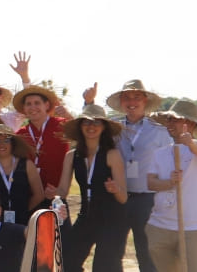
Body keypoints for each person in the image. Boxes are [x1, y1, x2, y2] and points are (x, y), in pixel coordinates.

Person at [86, 79, 171, 272]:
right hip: (117, 197)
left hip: (147, 199)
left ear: (145, 100)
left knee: (147, 250)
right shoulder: (112, 127)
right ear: (121, 102)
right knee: (112, 250)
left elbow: (169, 161)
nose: (132, 102)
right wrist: (89, 104)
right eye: (127, 97)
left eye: (136, 97)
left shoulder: (160, 131)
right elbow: (89, 127)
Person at [55, 104, 129, 272]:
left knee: (106, 266)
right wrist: (54, 195)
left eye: (97, 122)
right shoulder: (71, 156)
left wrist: (114, 189)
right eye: (86, 122)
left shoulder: (112, 154)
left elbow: (123, 197)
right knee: (67, 261)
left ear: (104, 127)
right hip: (86, 216)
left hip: (112, 219)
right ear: (80, 126)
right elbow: (62, 191)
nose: (91, 126)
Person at [146, 99, 197, 272]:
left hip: (192, 226)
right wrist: (169, 182)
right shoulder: (159, 154)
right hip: (160, 226)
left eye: (175, 119)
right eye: (169, 119)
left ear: (190, 123)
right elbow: (151, 183)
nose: (170, 123)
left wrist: (190, 143)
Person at [0, 125, 44, 225]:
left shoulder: (27, 165)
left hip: (25, 222)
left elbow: (39, 195)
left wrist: (23, 211)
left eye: (6, 141)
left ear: (13, 144)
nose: (1, 144)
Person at [13, 86, 70, 198]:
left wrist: (68, 116)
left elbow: (82, 134)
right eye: (28, 104)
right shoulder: (20, 134)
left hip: (55, 195)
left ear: (47, 105)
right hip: (29, 196)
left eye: (37, 103)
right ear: (24, 108)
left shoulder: (62, 125)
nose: (32, 107)